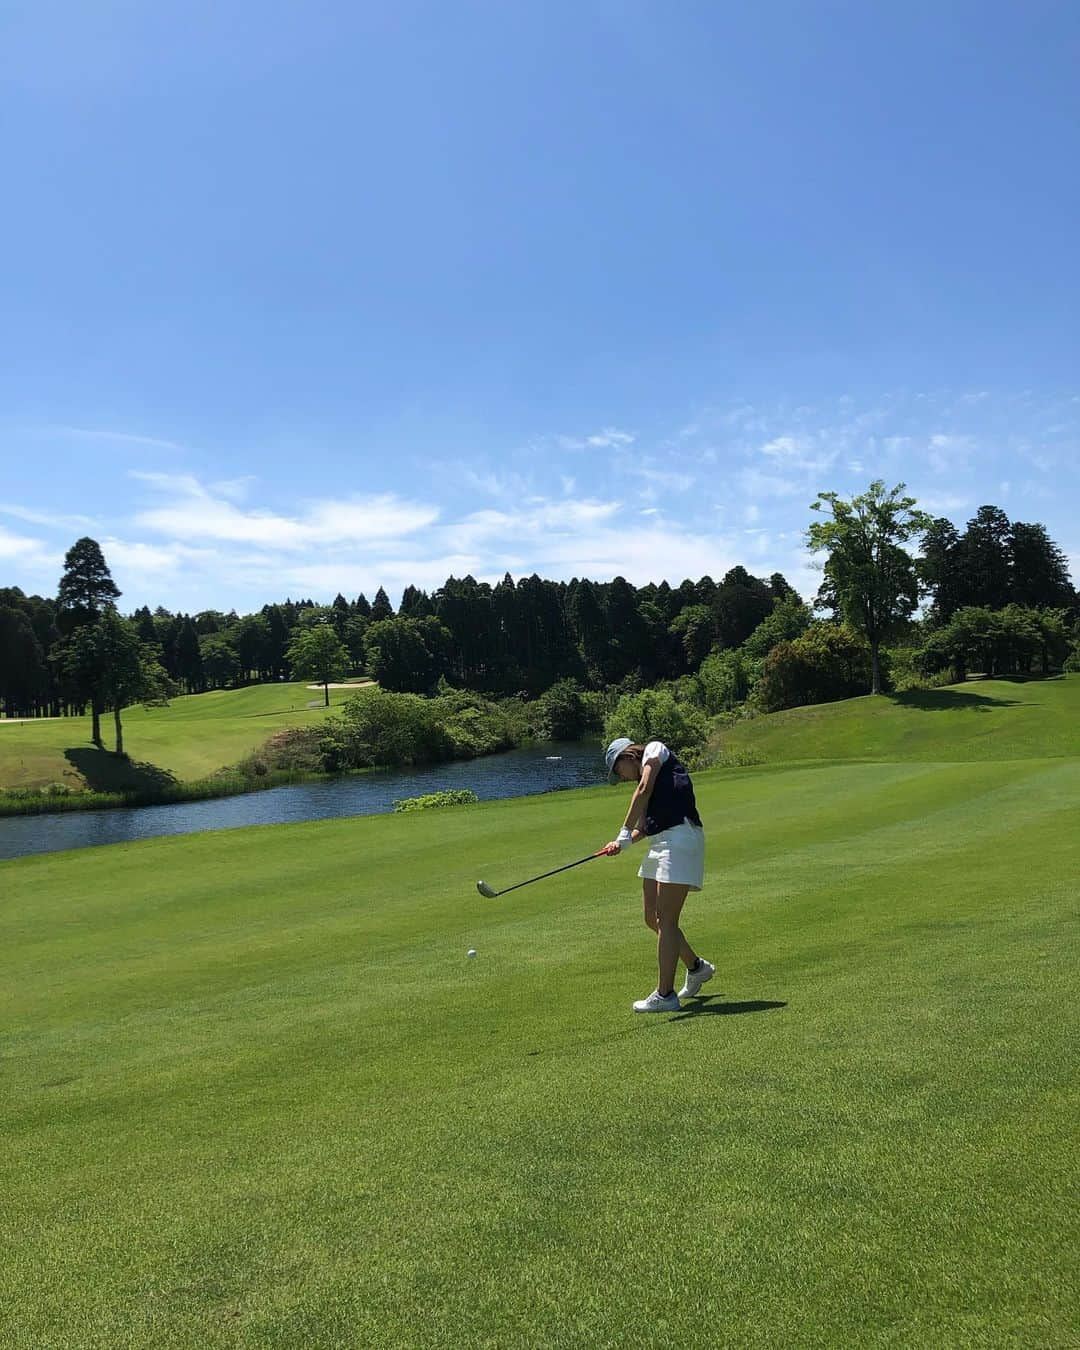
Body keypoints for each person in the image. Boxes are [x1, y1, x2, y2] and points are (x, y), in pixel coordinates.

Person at [602, 737, 714, 1012]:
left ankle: (665, 994)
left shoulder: (654, 749)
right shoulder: (647, 793)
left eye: (619, 771)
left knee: (667, 919)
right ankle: (696, 967)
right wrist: (623, 843)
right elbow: (645, 827)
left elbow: (643, 787)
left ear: (627, 756)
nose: (623, 777)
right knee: (652, 917)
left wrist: (623, 832)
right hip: (660, 843)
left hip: (680, 838)